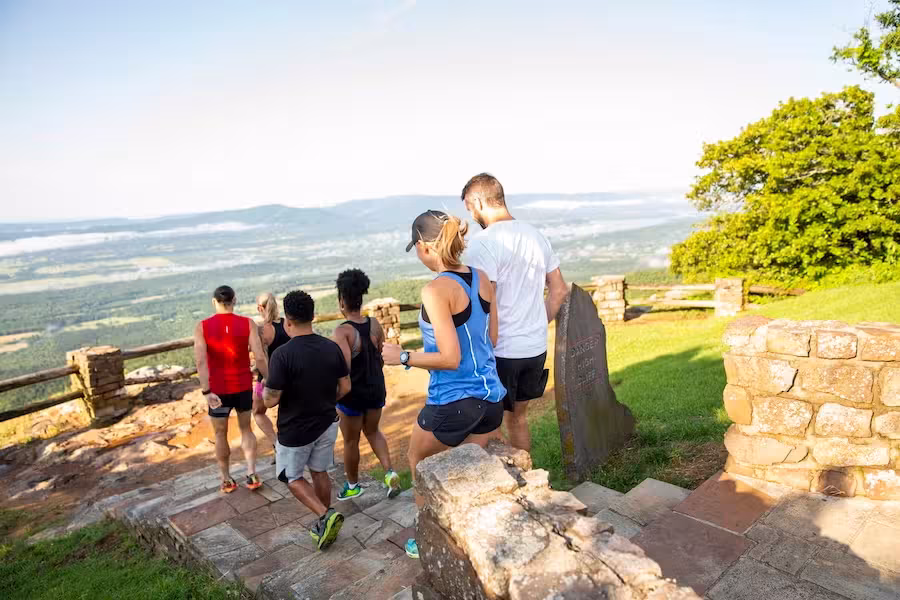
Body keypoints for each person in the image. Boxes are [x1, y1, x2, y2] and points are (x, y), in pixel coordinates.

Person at [382, 210, 505, 560]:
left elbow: (450, 358)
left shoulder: (436, 290)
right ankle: (465, 536)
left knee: (417, 457)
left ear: (423, 246)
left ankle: (426, 540)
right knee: (465, 471)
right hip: (491, 400)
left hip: (453, 403)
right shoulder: (481, 278)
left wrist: (402, 357)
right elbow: (490, 337)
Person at [460, 173, 569, 452]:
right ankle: (529, 482)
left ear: (480, 201)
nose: (471, 216)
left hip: (500, 351)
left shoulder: (483, 243)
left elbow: (485, 301)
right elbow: (558, 291)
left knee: (490, 425)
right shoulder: (536, 235)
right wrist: (534, 324)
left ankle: (507, 486)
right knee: (518, 420)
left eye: (469, 208)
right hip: (533, 348)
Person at [263, 290, 350, 551]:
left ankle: (326, 515)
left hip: (295, 429)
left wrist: (262, 390)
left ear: (287, 321)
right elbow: (345, 386)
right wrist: (325, 399)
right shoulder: (331, 347)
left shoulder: (282, 355)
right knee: (319, 471)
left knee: (291, 477)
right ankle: (324, 519)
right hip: (326, 421)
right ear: (312, 317)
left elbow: (270, 400)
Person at [332, 269, 402, 501]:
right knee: (373, 431)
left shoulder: (342, 331)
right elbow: (380, 357)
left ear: (342, 300)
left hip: (352, 396)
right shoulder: (374, 324)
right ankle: (390, 473)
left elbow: (343, 370)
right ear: (360, 299)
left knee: (351, 441)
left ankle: (353, 485)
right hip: (375, 390)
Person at [193, 285, 268, 494]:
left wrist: (206, 391)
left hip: (217, 390)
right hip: (242, 385)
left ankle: (226, 479)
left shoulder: (202, 326)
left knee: (220, 434)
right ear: (234, 301)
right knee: (246, 430)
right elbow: (260, 356)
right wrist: (269, 379)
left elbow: (201, 361)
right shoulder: (247, 323)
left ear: (214, 302)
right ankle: (251, 473)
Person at [252, 292, 288, 453]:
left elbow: (261, 358)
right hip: (290, 376)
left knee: (257, 411)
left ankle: (277, 444)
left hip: (268, 379)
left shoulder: (262, 331)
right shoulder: (288, 324)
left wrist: (267, 378)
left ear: (260, 308)